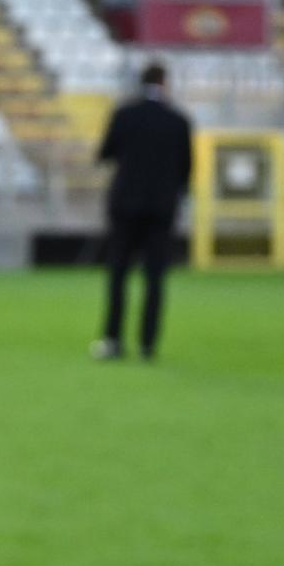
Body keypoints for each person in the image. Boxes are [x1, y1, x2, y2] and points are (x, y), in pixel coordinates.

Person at [92, 62, 192, 361]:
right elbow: (187, 169)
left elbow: (104, 153)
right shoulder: (178, 120)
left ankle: (113, 339)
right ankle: (148, 344)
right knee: (155, 278)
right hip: (161, 208)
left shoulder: (125, 114)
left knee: (118, 274)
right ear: (165, 82)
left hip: (125, 205)